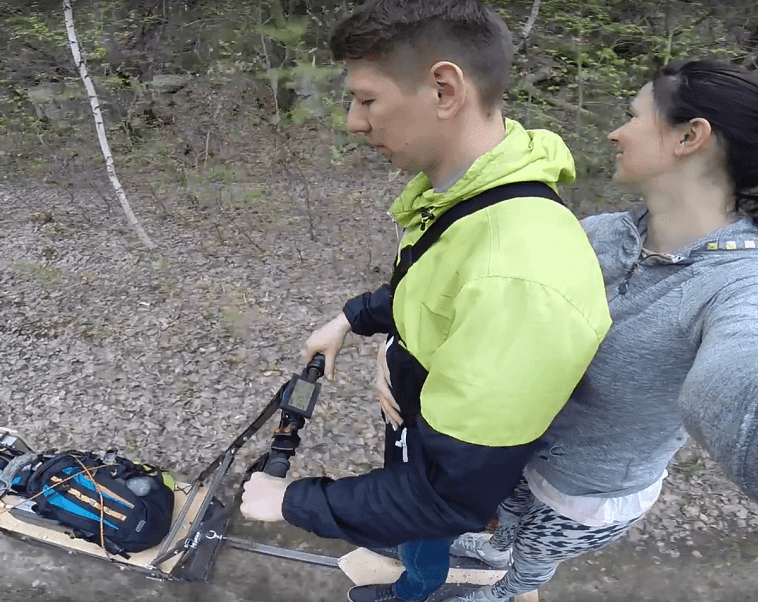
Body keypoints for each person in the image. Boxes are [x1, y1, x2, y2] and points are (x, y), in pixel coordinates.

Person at [356, 59, 758, 602]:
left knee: (530, 562)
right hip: (510, 451)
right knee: (501, 522)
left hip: (582, 496)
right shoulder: (602, 233)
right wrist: (404, 346)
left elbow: (753, 369)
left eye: (634, 116)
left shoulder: (753, 285)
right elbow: (488, 296)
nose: (616, 133)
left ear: (690, 137)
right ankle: (489, 548)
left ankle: (500, 591)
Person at [238, 1, 612, 601]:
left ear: (444, 90)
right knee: (415, 533)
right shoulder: (474, 197)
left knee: (425, 535)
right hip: (418, 424)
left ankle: (413, 594)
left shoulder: (518, 276)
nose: (353, 123)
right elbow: (433, 287)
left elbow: (448, 495)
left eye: (366, 100)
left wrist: (291, 500)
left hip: (434, 460)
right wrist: (352, 319)